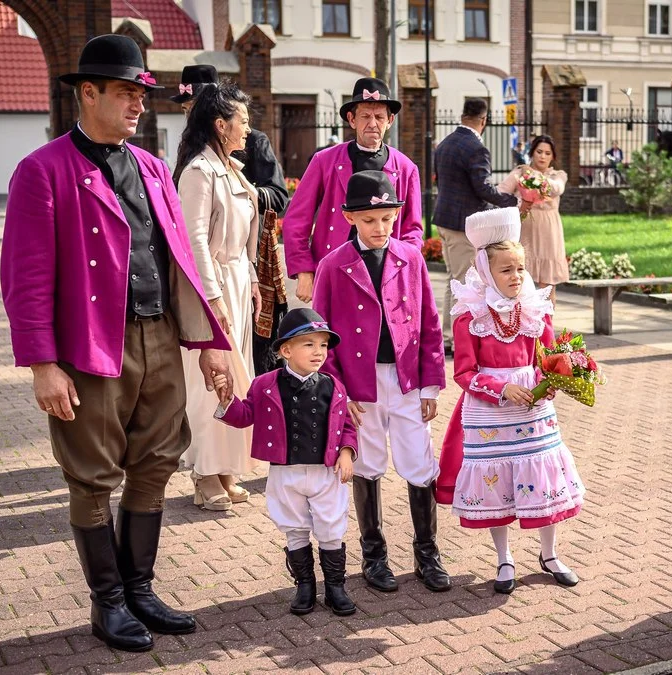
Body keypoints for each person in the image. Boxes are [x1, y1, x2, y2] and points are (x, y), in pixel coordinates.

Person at [0, 34, 231, 652]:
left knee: (156, 462)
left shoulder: (153, 167)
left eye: (142, 94)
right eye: (126, 92)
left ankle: (140, 589)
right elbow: (24, 279)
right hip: (91, 346)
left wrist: (208, 339)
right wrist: (42, 365)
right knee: (92, 474)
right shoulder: (42, 171)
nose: (138, 104)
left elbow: (179, 258)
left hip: (159, 333)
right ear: (88, 93)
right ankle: (108, 602)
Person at [311, 171, 450, 593]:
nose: (380, 228)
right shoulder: (334, 265)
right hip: (360, 384)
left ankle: (428, 553)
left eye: (388, 218)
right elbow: (322, 334)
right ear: (350, 217)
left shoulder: (411, 258)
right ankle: (375, 556)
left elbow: (429, 323)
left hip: (408, 380)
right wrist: (338, 391)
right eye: (370, 219)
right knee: (368, 464)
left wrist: (430, 385)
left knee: (419, 463)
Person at [434, 207, 584, 594]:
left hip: (533, 409)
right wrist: (501, 389)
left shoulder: (536, 309)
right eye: (506, 270)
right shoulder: (470, 315)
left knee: (542, 475)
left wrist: (550, 382)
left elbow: (548, 359)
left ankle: (549, 554)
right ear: (486, 271)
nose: (516, 276)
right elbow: (464, 373)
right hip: (491, 413)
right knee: (496, 483)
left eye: (519, 268)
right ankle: (504, 558)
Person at [214, 308, 359, 617]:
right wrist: (227, 401)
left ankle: (335, 588)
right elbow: (245, 416)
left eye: (322, 345)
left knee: (332, 528)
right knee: (294, 528)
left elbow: (346, 424)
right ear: (285, 350)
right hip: (285, 473)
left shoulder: (334, 386)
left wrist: (347, 451)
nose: (318, 351)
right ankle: (305, 586)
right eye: (309, 344)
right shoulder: (264, 385)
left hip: (326, 473)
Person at [173, 82, 262, 511]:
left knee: (237, 378)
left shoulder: (233, 168)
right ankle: (204, 473)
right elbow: (194, 242)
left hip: (238, 283)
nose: (248, 129)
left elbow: (247, 235)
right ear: (220, 123)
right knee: (212, 380)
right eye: (242, 121)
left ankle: (226, 467)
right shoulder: (198, 173)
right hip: (212, 288)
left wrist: (254, 280)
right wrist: (213, 297)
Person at [172, 64, 291, 376]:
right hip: (218, 278)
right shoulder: (198, 166)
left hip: (241, 275)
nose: (191, 113)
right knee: (222, 372)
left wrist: (250, 275)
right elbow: (194, 237)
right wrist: (213, 297)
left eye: (195, 106)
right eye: (187, 107)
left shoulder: (240, 158)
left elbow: (277, 196)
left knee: (244, 367)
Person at [283, 78, 423, 303]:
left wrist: (405, 269)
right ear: (352, 119)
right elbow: (297, 219)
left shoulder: (406, 168)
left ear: (390, 121)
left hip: (385, 269)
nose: (372, 123)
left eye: (379, 117)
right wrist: (304, 271)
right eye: (365, 116)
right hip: (333, 266)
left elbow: (412, 230)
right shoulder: (324, 161)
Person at [432, 98, 520, 354]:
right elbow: (482, 187)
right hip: (463, 224)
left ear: (463, 115)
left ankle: (450, 336)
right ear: (484, 120)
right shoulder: (476, 147)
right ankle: (454, 340)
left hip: (445, 220)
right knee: (463, 280)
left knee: (454, 279)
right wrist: (512, 201)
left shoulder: (445, 143)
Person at [499, 135, 570, 302]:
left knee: (548, 285)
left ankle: (548, 325)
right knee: (521, 282)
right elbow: (500, 192)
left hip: (550, 233)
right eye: (539, 152)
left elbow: (557, 189)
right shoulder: (519, 171)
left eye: (547, 153)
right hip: (525, 230)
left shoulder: (558, 175)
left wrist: (533, 175)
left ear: (553, 156)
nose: (543, 156)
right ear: (532, 153)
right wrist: (518, 203)